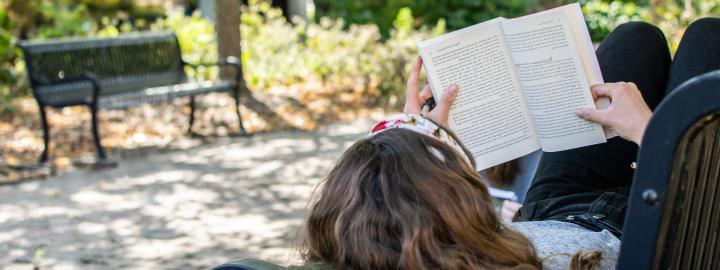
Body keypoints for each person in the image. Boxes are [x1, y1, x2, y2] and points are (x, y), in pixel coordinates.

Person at [226, 18, 720, 270]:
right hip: (648, 227)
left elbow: (381, 211)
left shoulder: (403, 248)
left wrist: (424, 136)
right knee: (706, 40)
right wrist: (653, 134)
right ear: (454, 216)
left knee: (635, 39)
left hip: (554, 209)